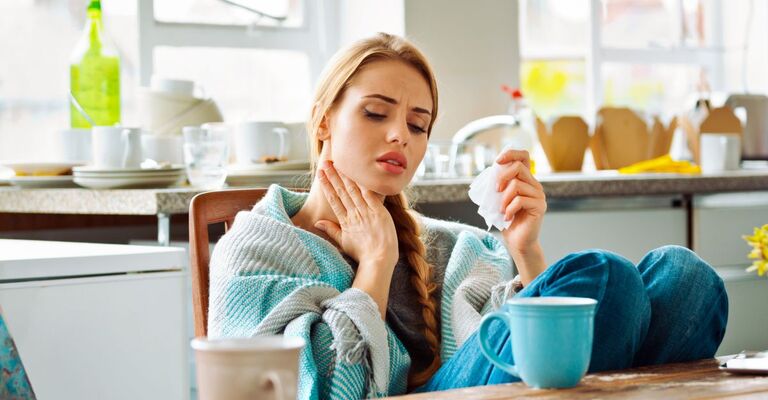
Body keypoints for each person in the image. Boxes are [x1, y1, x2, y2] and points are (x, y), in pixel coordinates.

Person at [207, 33, 727, 399]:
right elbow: (320, 391)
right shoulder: (256, 248)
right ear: (323, 121)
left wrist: (525, 250)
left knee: (687, 277)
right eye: (376, 113)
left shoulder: (448, 245)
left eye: (418, 125)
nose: (400, 135)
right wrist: (376, 265)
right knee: (606, 275)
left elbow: (511, 343)